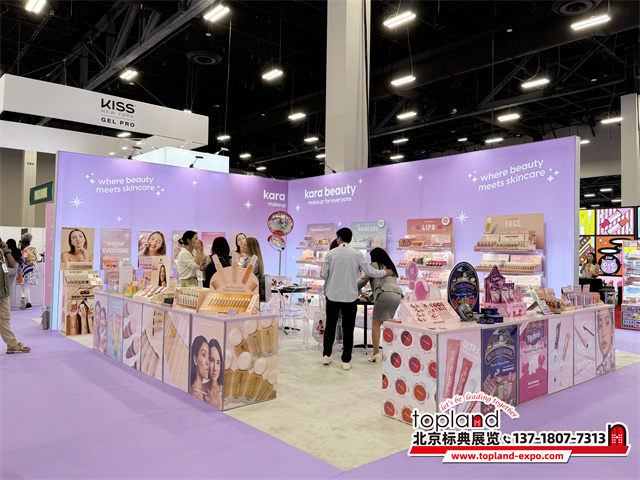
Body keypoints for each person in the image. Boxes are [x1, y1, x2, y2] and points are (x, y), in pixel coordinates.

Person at [320, 228, 392, 370]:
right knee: (348, 328)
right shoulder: (357, 254)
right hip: (350, 297)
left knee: (330, 326)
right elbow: (370, 271)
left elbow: (324, 275)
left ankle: (326, 355)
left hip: (332, 296)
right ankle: (346, 360)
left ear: (339, 238)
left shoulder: (330, 254)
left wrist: (332, 280)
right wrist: (384, 272)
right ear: (350, 239)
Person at [358, 248, 403, 363]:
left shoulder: (374, 265)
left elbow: (363, 281)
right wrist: (370, 298)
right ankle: (391, 352)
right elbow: (383, 285)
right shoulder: (391, 267)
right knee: (387, 324)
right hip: (397, 296)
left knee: (376, 324)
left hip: (384, 295)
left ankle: (376, 354)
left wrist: (351, 287)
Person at [0, 240, 30, 354]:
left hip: (3, 292)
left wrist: (6, 251)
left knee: (5, 320)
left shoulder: (2, 253)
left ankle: (12, 345)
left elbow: (12, 265)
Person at [17, 233, 38, 309]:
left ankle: (28, 303)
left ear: (23, 242)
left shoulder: (24, 251)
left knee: (24, 286)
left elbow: (24, 259)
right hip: (33, 269)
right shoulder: (34, 249)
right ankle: (24, 302)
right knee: (25, 286)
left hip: (25, 270)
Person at [204, 339, 224, 408]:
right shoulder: (201, 389)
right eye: (211, 360)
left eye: (218, 362)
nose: (215, 368)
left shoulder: (224, 393)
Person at [189, 336, 210, 401]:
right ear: (195, 359)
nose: (208, 362)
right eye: (204, 355)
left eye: (209, 357)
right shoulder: (194, 394)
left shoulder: (203, 391)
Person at [596, 309, 615, 375]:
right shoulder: (597, 372)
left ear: (612, 329)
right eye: (600, 325)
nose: (603, 334)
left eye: (607, 323)